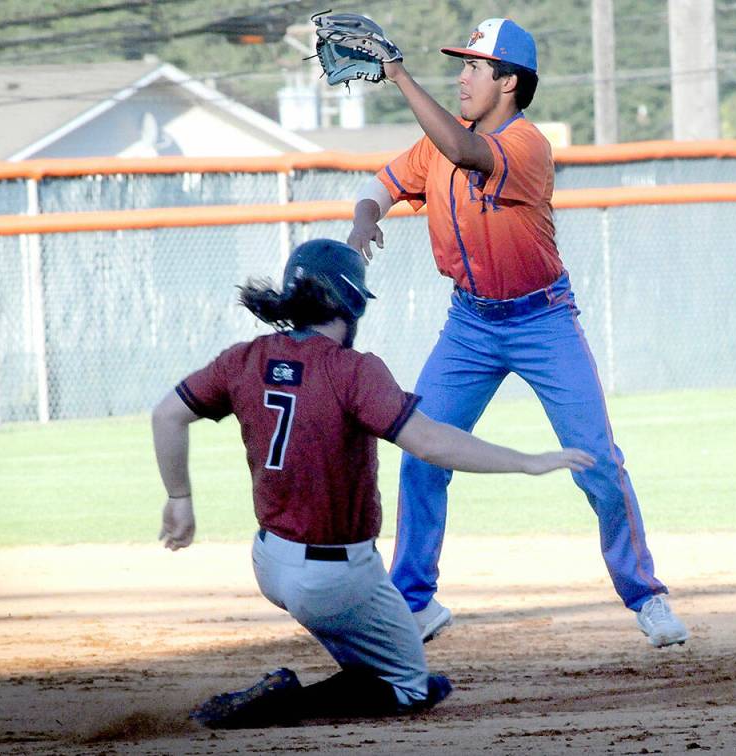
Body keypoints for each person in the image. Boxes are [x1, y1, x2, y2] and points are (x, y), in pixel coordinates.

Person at [152, 238, 594, 729]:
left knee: (372, 642)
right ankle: (281, 702)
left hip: (269, 562)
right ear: (352, 303)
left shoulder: (246, 359)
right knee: (412, 687)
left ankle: (371, 651)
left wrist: (179, 499)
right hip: (335, 575)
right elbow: (429, 442)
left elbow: (167, 414)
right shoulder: (352, 370)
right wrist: (526, 461)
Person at [346, 18, 689, 649]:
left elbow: (466, 155)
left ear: (509, 81)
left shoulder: (524, 144)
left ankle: (645, 594)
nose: (462, 76)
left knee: (596, 461)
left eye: (474, 67)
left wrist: (397, 74)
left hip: (542, 321)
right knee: (423, 450)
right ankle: (414, 603)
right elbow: (382, 184)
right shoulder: (439, 142)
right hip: (470, 325)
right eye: (462, 65)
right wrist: (365, 218)